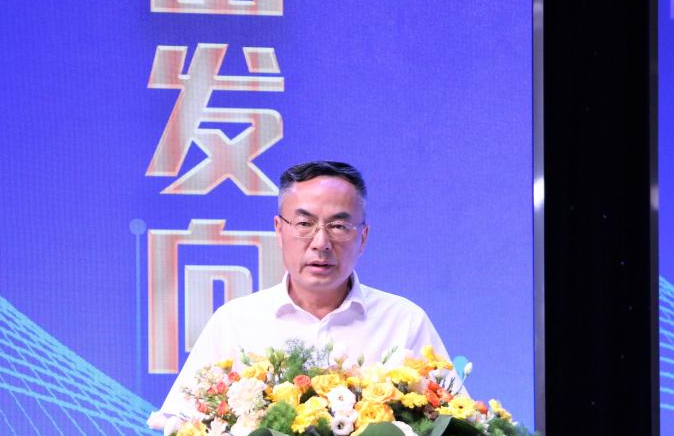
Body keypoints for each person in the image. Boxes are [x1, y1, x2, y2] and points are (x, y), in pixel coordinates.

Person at [156, 160, 455, 418]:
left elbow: (458, 425)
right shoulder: (234, 322)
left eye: (338, 226)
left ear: (363, 237)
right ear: (279, 229)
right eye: (304, 224)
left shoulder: (404, 323)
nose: (321, 243)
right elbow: (180, 426)